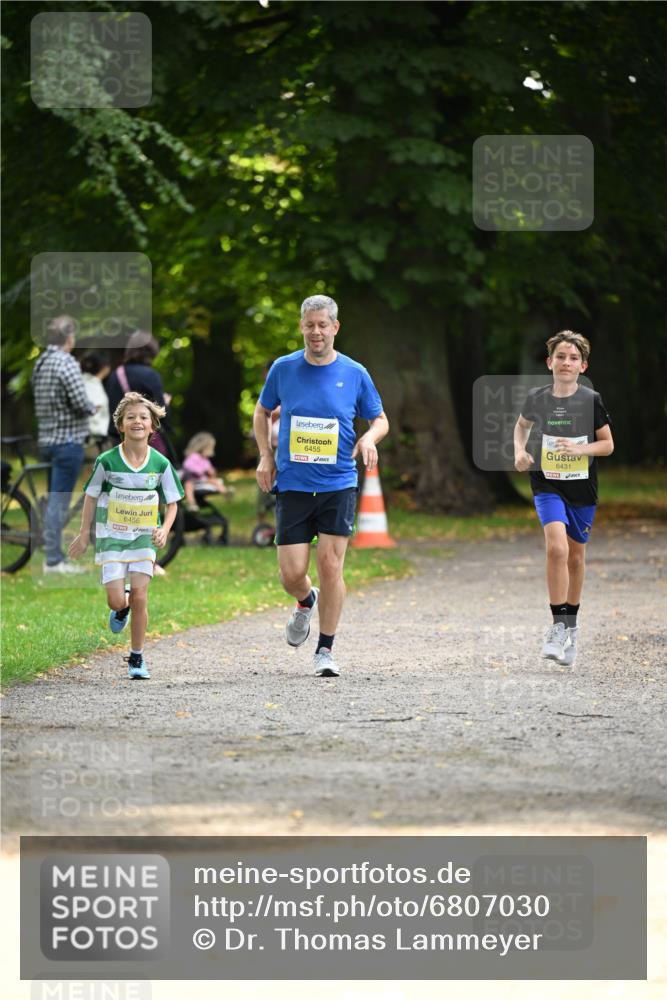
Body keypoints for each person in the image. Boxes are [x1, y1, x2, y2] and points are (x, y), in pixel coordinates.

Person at [254, 294, 389, 678]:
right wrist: (265, 455)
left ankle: (325, 649)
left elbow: (380, 419)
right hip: (294, 484)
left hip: (338, 483)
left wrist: (368, 439)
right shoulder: (283, 369)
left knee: (331, 565)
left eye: (322, 325)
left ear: (335, 327)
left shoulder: (354, 372)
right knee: (292, 574)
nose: (316, 332)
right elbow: (262, 410)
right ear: (301, 326)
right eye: (309, 325)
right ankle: (303, 601)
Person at [513, 331, 613, 665]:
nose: (566, 362)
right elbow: (521, 426)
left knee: (575, 558)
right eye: (560, 356)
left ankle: (572, 626)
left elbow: (607, 445)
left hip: (582, 488)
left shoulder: (591, 400)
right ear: (549, 362)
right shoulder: (538, 398)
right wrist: (519, 452)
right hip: (546, 483)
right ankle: (557, 626)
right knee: (557, 548)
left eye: (573, 358)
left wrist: (581, 448)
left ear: (582, 365)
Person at [68, 392, 184, 679]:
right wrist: (84, 534)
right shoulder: (107, 461)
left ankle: (136, 658)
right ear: (120, 425)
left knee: (142, 596)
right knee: (116, 600)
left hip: (144, 538)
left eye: (143, 417)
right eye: (130, 417)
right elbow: (91, 497)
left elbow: (173, 502)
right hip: (112, 539)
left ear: (152, 426)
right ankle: (121, 608)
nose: (137, 422)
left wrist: (165, 529)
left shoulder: (160, 463)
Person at [31, 314, 96, 574]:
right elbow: (80, 401)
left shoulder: (41, 362)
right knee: (59, 501)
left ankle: (52, 555)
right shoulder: (66, 362)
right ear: (70, 337)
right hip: (67, 441)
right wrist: (94, 408)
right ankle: (54, 561)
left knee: (53, 499)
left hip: (47, 439)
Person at [106, 330, 172, 456]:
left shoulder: (116, 375)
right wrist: (166, 404)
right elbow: (162, 414)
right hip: (146, 440)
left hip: (120, 439)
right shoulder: (151, 376)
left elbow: (113, 410)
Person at [180, 432, 232, 512]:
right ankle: (191, 504)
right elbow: (187, 465)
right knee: (188, 487)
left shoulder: (205, 459)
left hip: (200, 479)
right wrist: (201, 470)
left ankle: (225, 492)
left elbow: (210, 470)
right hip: (190, 479)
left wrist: (211, 472)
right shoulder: (194, 456)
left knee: (214, 481)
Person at [80, 350, 111, 439]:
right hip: (94, 436)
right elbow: (93, 411)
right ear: (104, 367)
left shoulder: (82, 380)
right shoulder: (93, 386)